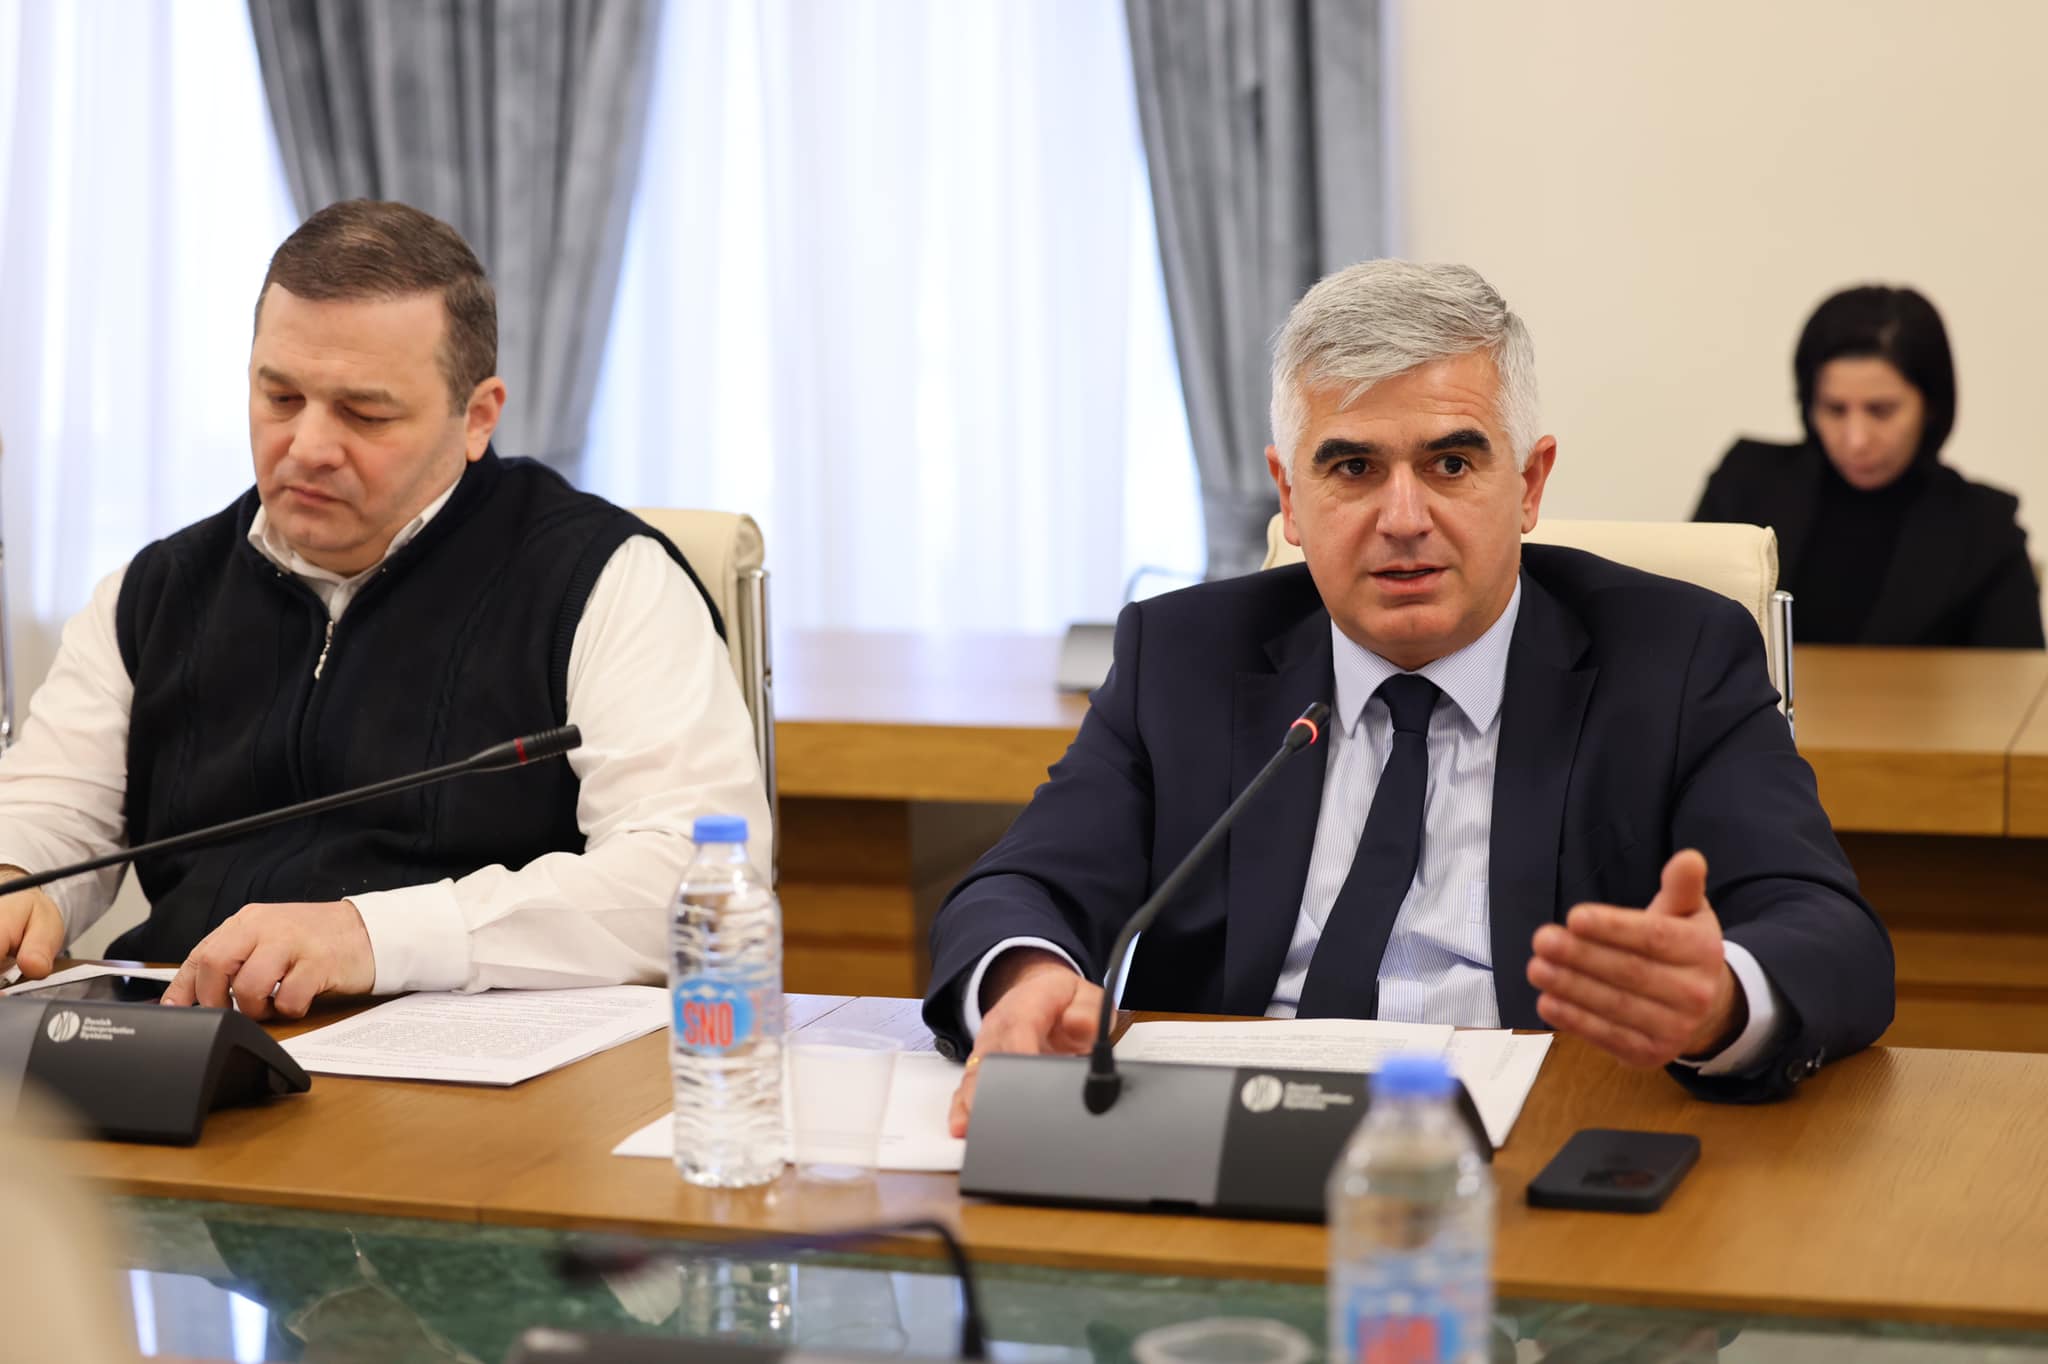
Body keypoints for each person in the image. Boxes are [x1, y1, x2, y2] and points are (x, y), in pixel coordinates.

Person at [928, 260, 1894, 1132]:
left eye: (1451, 464)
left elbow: (1831, 934)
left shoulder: (1675, 659)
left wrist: (1720, 999)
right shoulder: (1183, 657)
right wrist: (1027, 977)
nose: (1404, 518)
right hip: (1228, 1143)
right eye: (1352, 468)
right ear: (1290, 498)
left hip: (1540, 1152)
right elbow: (1022, 887)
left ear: (1529, 483)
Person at [0, 199, 770, 1016]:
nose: (308, 447)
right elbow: (49, 813)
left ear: (477, 417)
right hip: (188, 1038)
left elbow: (696, 880)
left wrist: (373, 937)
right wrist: (19, 881)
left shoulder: (606, 579)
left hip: (479, 1057)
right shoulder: (155, 590)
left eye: (364, 414)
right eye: (280, 398)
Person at [1694, 285, 2043, 647]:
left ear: (1931, 407)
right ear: (1808, 404)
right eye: (1834, 409)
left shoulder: (1986, 526)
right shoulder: (1745, 481)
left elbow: (2017, 674)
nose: (1856, 439)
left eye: (1881, 410)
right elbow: (1683, 630)